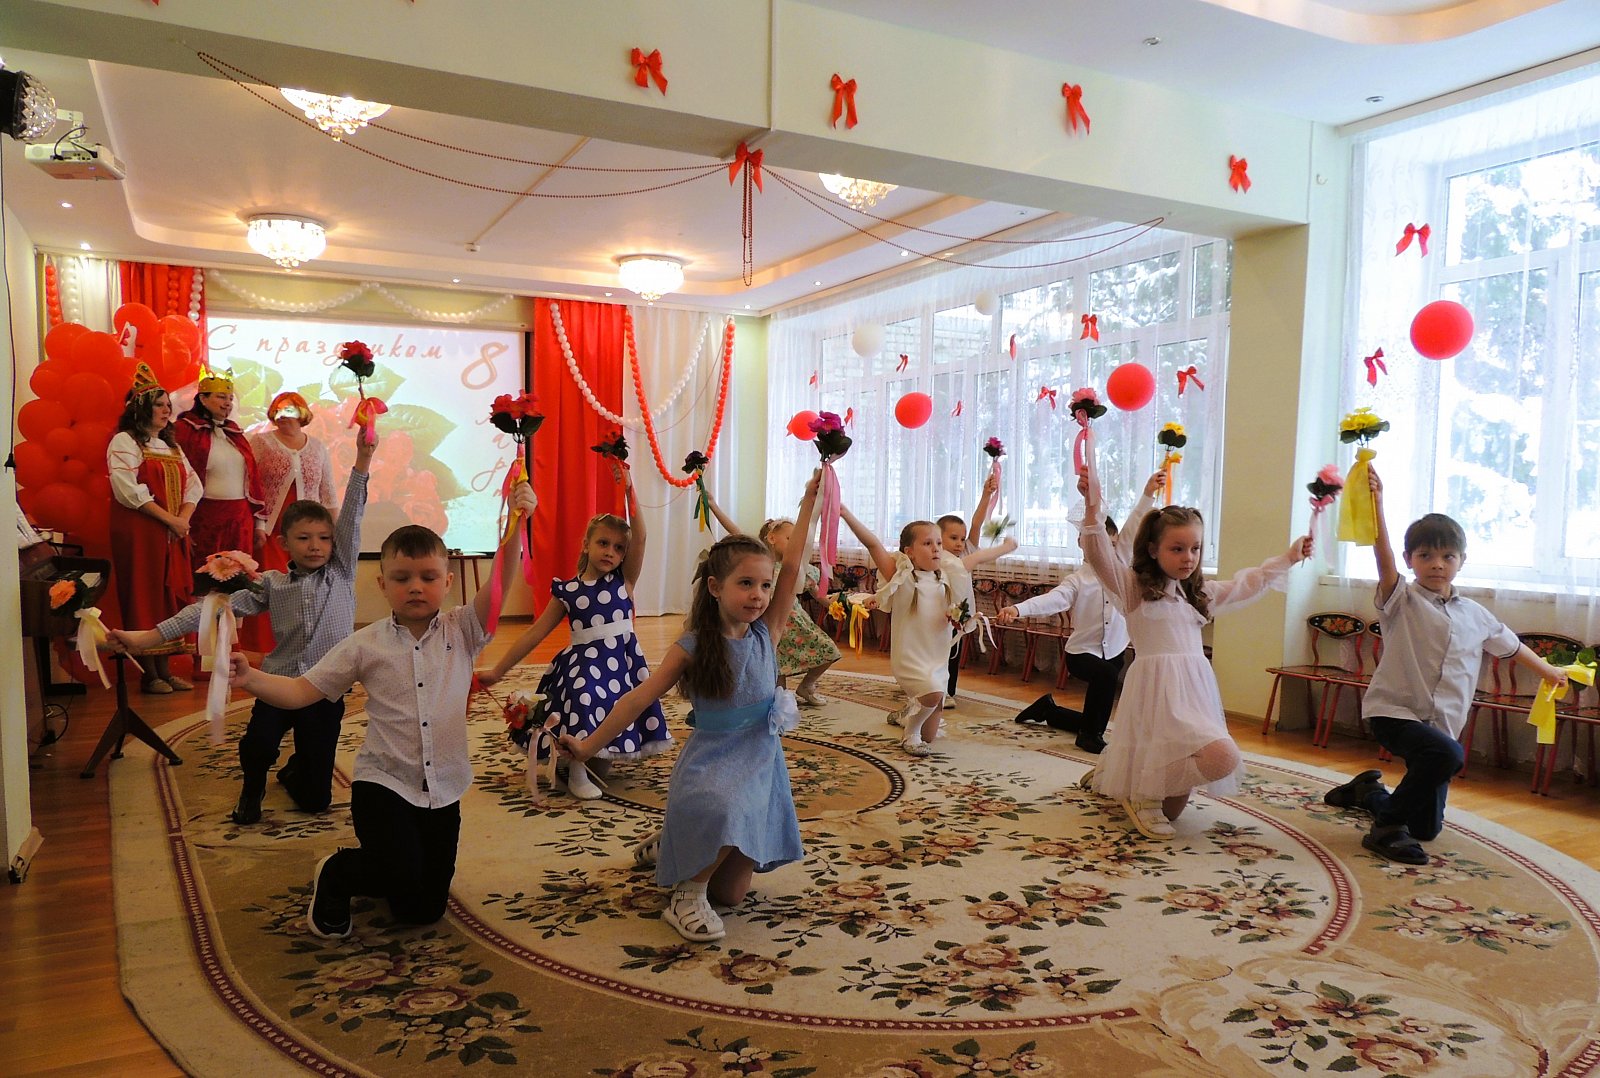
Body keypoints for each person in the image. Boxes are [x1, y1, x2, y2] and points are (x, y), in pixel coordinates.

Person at [226, 479, 536, 938]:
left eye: (428, 577)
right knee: (395, 872)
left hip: (442, 788)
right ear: (382, 583)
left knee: (422, 910)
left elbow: (501, 582)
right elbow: (301, 691)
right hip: (383, 784)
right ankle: (337, 873)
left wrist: (516, 523)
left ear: (448, 582)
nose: (416, 587)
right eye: (402, 578)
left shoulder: (464, 630)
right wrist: (250, 678)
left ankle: (387, 867)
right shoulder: (364, 644)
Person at [557, 472, 822, 943]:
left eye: (765, 585)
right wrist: (587, 746)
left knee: (733, 895)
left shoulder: (769, 631)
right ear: (716, 587)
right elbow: (637, 698)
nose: (758, 595)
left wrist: (809, 501)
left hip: (760, 762)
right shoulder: (693, 645)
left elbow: (794, 561)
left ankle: (672, 843)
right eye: (746, 583)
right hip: (712, 765)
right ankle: (685, 894)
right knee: (725, 812)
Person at [112, 424, 374, 825]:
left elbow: (352, 516)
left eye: (324, 538)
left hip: (324, 689)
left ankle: (295, 771)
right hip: (277, 682)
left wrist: (364, 459)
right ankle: (252, 789)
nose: (316, 546)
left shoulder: (340, 574)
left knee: (315, 800)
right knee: (258, 744)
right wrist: (148, 637)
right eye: (304, 538)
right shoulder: (272, 584)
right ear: (284, 544)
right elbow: (212, 610)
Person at [1322, 467, 1566, 865]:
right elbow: (1383, 559)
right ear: (1410, 560)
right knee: (1449, 755)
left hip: (1442, 724)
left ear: (1461, 561)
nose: (1437, 564)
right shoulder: (1401, 600)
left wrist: (1550, 672)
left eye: (1447, 556)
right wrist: (1377, 503)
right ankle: (1385, 828)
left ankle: (1368, 793)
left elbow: (1510, 645)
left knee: (1426, 829)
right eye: (1426, 556)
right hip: (1395, 713)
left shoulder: (1476, 614)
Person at [1079, 451, 1312, 839]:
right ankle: (1139, 792)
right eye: (1177, 548)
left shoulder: (1199, 593)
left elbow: (1247, 584)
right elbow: (1099, 553)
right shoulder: (1134, 588)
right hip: (1155, 690)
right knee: (1202, 770)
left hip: (1193, 692)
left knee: (1198, 781)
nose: (1188, 558)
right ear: (1153, 549)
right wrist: (1092, 508)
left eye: (1195, 548)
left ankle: (1115, 771)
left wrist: (1289, 557)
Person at [476, 475, 670, 799]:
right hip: (584, 665)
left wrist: (629, 489)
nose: (610, 552)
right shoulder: (568, 591)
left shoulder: (624, 582)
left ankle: (578, 760)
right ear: (586, 544)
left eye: (618, 548)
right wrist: (497, 671)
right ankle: (576, 768)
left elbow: (642, 536)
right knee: (584, 692)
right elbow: (535, 634)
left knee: (604, 762)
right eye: (603, 543)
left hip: (620, 666)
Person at [997, 472, 1163, 754]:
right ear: (1082, 543)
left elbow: (1135, 523)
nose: (1106, 551)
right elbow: (1052, 601)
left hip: (1114, 652)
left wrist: (1148, 492)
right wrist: (1017, 608)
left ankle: (1050, 711)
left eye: (1112, 545)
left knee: (1099, 698)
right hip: (1081, 653)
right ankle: (1089, 736)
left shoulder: (1122, 567)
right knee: (1105, 678)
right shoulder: (1077, 580)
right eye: (1098, 545)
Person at [840, 506, 1016, 756]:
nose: (936, 548)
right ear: (909, 552)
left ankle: (907, 714)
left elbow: (975, 559)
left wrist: (1006, 548)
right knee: (931, 696)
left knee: (930, 735)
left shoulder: (946, 576)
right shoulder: (901, 577)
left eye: (938, 543)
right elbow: (872, 543)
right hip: (910, 658)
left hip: (936, 660)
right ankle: (910, 735)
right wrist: (844, 512)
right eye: (927, 543)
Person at [107, 363, 203, 694]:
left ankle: (166, 669)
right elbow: (127, 489)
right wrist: (170, 520)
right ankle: (150, 674)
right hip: (141, 532)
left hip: (172, 532)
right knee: (145, 594)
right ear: (141, 409)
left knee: (168, 599)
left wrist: (183, 519)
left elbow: (193, 485)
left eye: (167, 405)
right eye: (159, 405)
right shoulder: (124, 441)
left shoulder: (171, 446)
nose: (166, 410)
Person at [704, 489, 841, 706]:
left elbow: (819, 595)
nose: (795, 543)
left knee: (829, 650)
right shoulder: (762, 564)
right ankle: (776, 703)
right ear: (771, 538)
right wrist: (712, 505)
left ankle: (807, 686)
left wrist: (839, 603)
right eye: (789, 538)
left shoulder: (797, 570)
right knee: (776, 672)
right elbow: (736, 533)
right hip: (770, 627)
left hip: (798, 626)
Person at [241, 392, 337, 654]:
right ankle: (265, 650)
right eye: (278, 410)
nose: (283, 415)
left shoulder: (318, 447)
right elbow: (250, 485)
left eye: (290, 410)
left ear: (302, 413)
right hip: (270, 531)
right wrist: (257, 525)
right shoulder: (260, 442)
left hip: (309, 533)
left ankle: (304, 647)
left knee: (307, 587)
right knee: (270, 587)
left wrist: (333, 534)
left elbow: (328, 493)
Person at [172, 366, 266, 570]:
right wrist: (181, 523)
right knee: (205, 574)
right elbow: (176, 479)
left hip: (240, 519)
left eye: (230, 398)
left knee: (238, 576)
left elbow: (253, 478)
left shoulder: (235, 434)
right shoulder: (184, 430)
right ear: (203, 399)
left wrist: (259, 524)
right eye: (221, 397)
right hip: (204, 518)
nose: (228, 403)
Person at [936, 470, 1000, 710]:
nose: (959, 543)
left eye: (962, 539)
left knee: (953, 651)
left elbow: (977, 523)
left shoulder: (965, 554)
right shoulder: (933, 556)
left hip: (958, 615)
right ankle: (930, 687)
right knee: (934, 652)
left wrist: (986, 495)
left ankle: (948, 690)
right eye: (953, 538)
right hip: (936, 614)